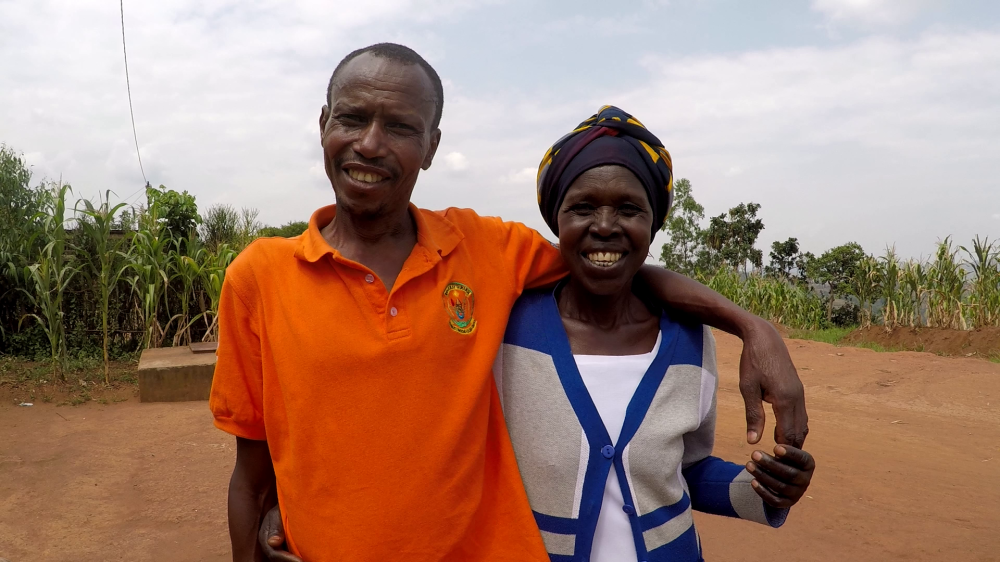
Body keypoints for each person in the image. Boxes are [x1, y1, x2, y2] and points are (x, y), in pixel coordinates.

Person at [211, 43, 807, 562]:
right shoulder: (258, 277)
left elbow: (615, 265)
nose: (369, 144)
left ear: (432, 144)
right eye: (352, 118)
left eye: (398, 127)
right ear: (322, 124)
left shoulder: (485, 251)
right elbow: (251, 470)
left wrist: (753, 327)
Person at [495, 106, 815, 561]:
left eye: (629, 209)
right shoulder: (507, 331)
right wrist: (751, 324)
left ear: (653, 224)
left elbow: (685, 469)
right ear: (555, 220)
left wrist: (766, 488)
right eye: (582, 207)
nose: (605, 226)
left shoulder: (689, 339)